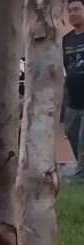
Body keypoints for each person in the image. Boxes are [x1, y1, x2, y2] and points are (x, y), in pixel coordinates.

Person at [65, 0, 84, 179]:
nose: (72, 14)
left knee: (83, 140)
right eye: (69, 11)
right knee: (71, 134)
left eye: (77, 9)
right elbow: (65, 68)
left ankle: (80, 176)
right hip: (72, 101)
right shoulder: (66, 40)